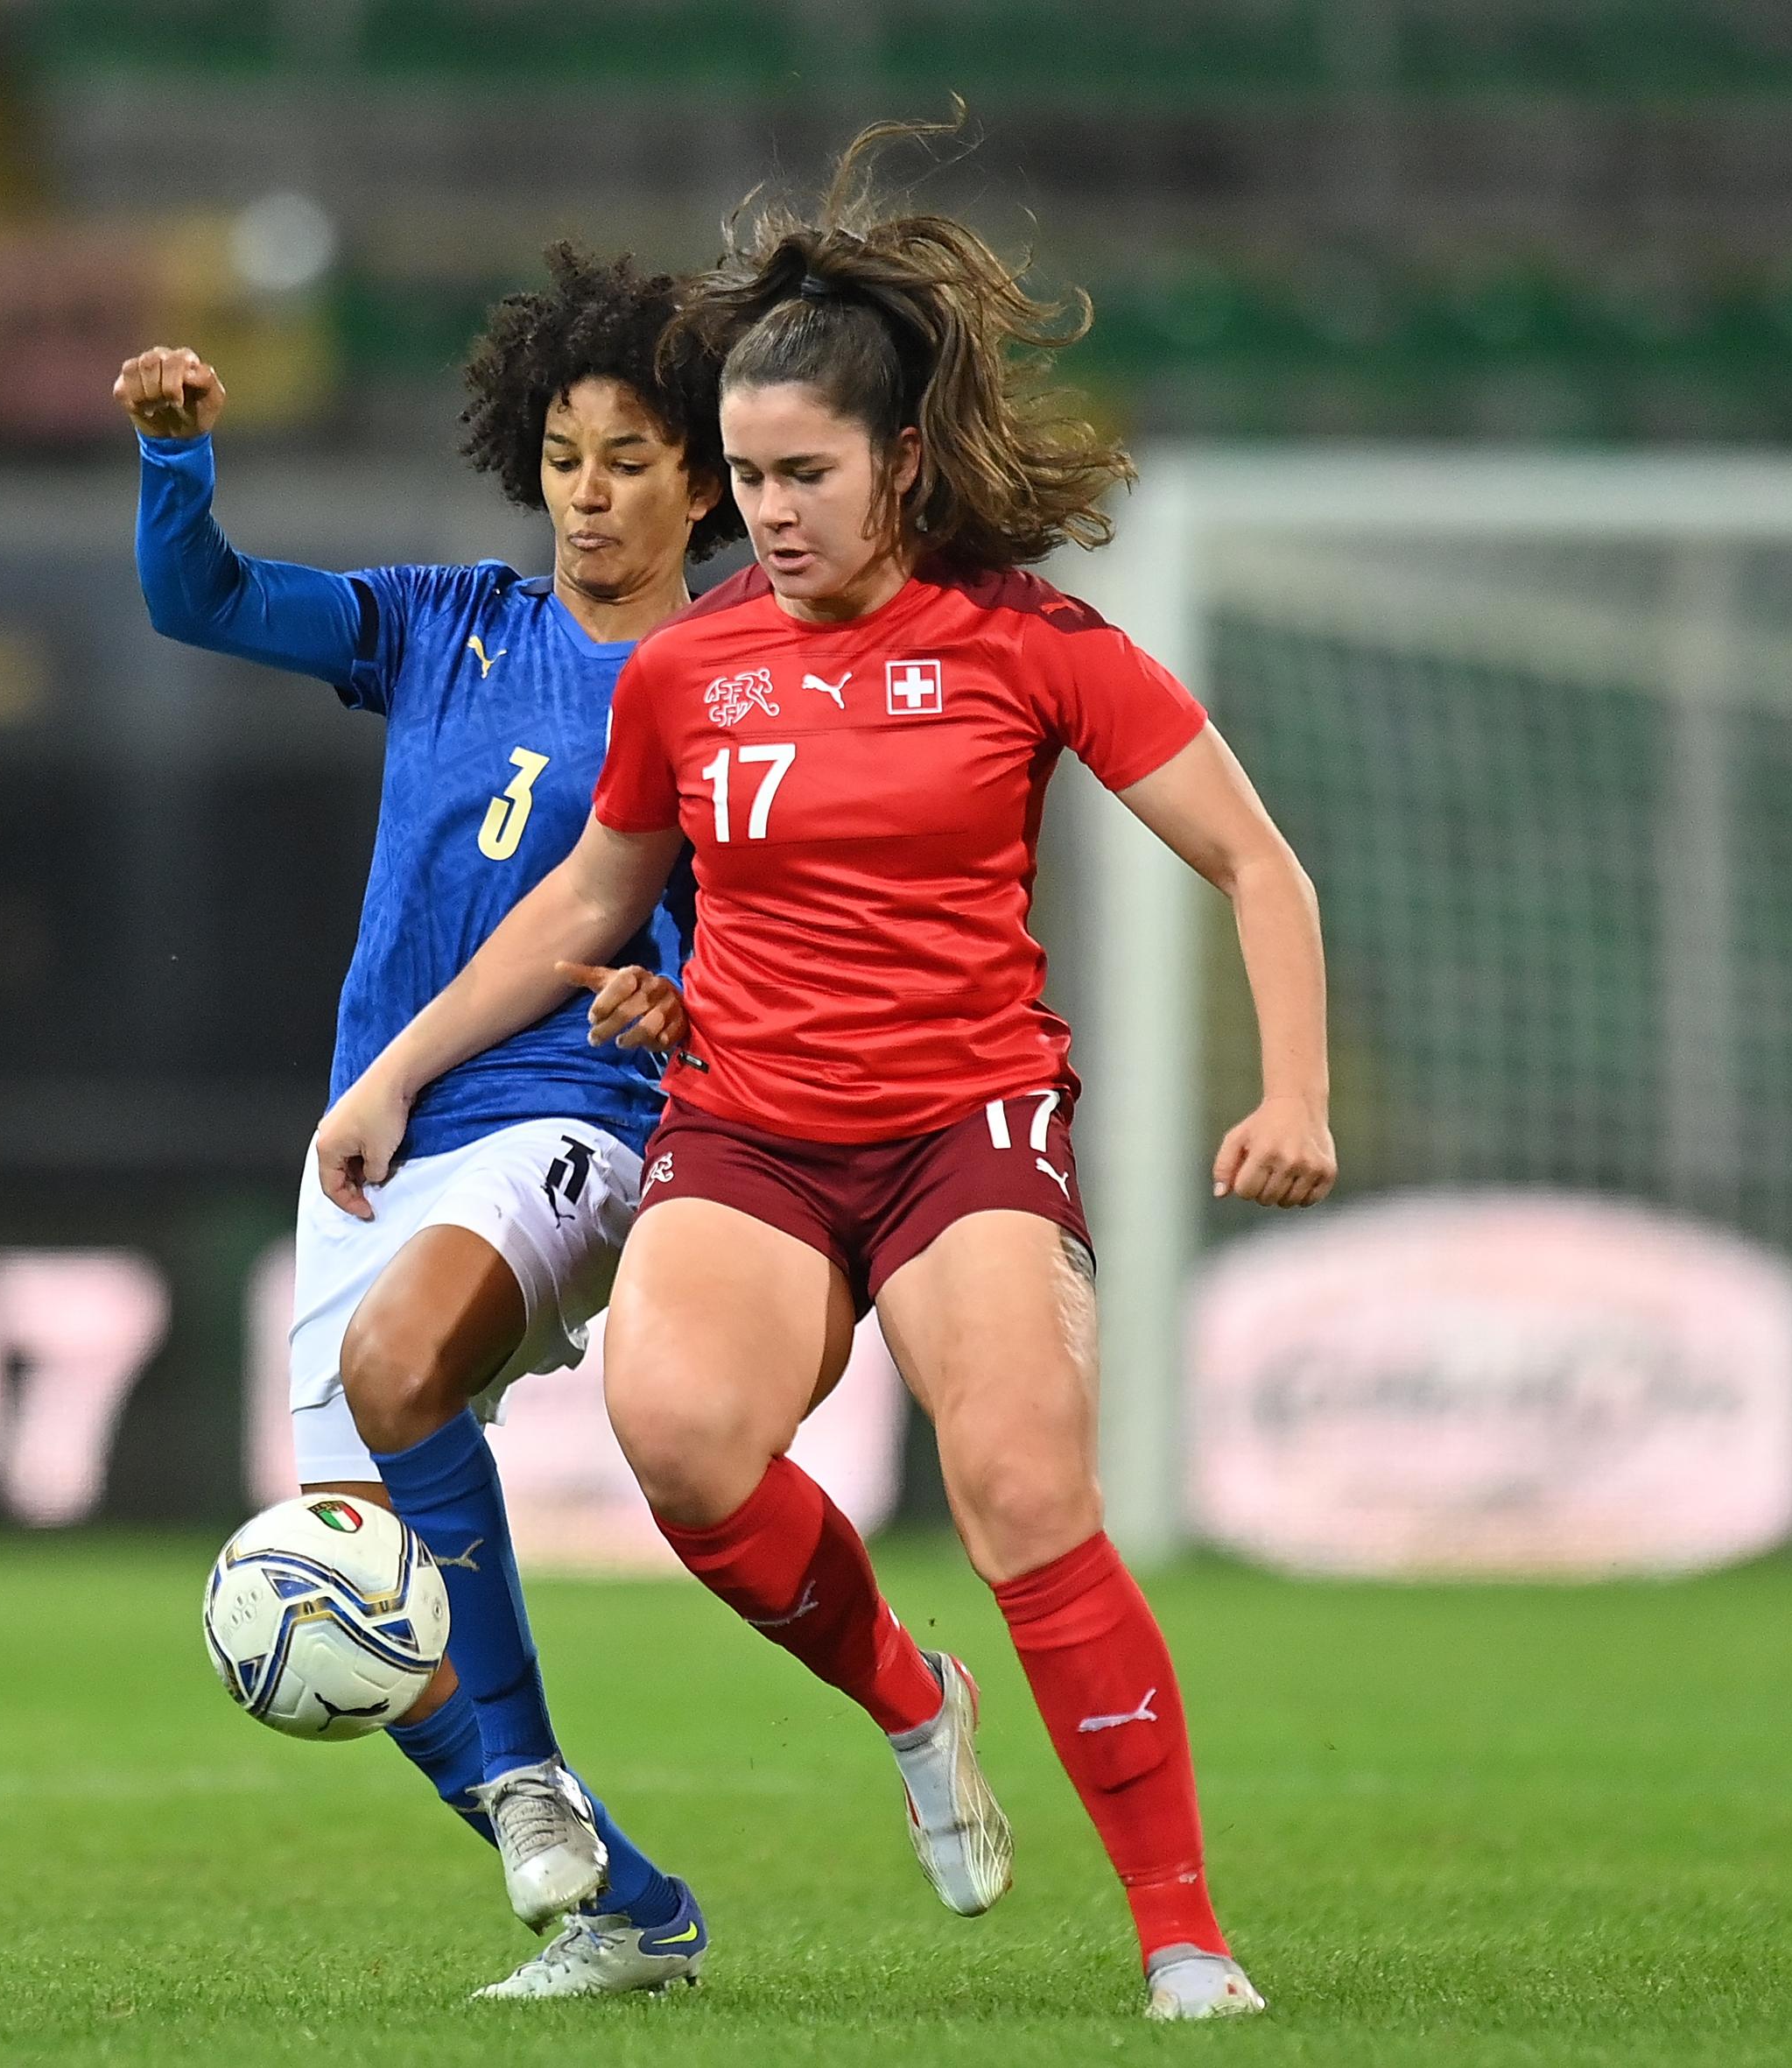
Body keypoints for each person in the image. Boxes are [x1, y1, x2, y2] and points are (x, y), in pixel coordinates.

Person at [309, 119, 1339, 2022]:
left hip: (963, 1134)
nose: (763, 515)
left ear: (902, 464)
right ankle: (908, 1695)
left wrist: (1291, 1091)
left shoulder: (1026, 639)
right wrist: (397, 1072)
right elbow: (579, 911)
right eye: (749, 478)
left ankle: (1183, 1935)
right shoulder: (686, 670)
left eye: (800, 476)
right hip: (751, 1137)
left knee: (1024, 1490)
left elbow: (1252, 858)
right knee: (677, 1431)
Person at [116, 243, 738, 2001]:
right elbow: (205, 601)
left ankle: (534, 1780)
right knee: (356, 1587)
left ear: (699, 473)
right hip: (376, 1133)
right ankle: (622, 1898)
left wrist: (670, 997)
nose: (587, 493)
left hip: (574, 1118)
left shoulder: (730, 681)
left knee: (399, 1373)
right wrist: (176, 458)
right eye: (560, 456)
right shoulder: (447, 622)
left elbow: (751, 925)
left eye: (626, 457)